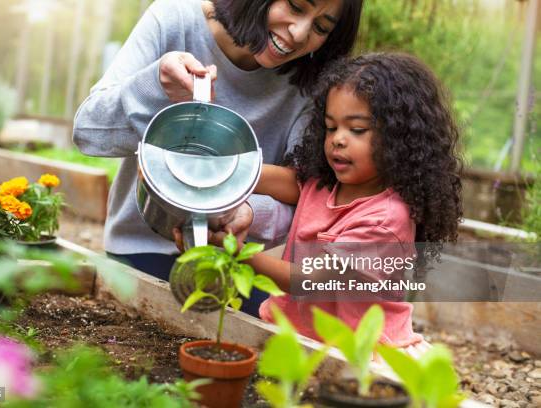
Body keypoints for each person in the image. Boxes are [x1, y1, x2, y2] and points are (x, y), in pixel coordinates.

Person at [73, 0, 363, 316]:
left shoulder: (308, 85)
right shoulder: (176, 20)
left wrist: (250, 211)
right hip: (142, 249)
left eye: (321, 27)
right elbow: (89, 131)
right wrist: (156, 85)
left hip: (234, 263)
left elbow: (309, 198)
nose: (298, 33)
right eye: (295, 6)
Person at [238, 53, 463, 352]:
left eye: (356, 129)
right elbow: (288, 182)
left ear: (398, 137)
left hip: (360, 352)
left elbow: (309, 281)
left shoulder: (387, 219)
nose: (338, 139)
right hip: (295, 333)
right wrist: (231, 172)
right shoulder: (327, 183)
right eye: (331, 127)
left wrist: (235, 253)